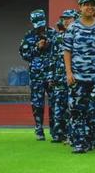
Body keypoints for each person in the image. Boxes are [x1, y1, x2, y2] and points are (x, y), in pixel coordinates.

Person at [63, 0, 95, 153]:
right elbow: (67, 51)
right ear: (80, 7)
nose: (90, 8)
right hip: (78, 77)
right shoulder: (73, 27)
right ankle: (80, 143)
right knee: (78, 111)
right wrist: (68, 72)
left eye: (92, 6)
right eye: (86, 5)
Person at [19, 9, 56, 140]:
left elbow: (59, 52)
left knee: (55, 102)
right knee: (37, 103)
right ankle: (39, 128)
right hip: (36, 75)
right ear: (32, 22)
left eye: (41, 23)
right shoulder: (28, 36)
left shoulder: (53, 33)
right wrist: (37, 48)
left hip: (52, 74)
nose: (40, 26)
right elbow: (24, 55)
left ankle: (54, 129)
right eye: (37, 24)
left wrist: (49, 45)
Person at [48, 9, 78, 143]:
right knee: (58, 106)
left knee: (73, 107)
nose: (66, 21)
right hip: (60, 77)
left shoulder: (79, 35)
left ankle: (72, 134)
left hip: (74, 76)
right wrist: (50, 76)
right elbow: (52, 58)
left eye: (69, 18)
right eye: (64, 18)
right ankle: (58, 133)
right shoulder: (58, 38)